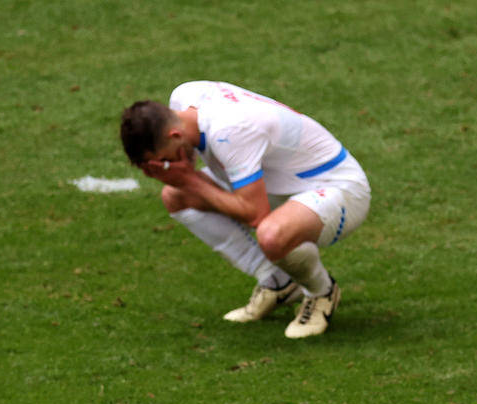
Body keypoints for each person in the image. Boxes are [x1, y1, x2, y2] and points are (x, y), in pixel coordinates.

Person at [119, 81, 370, 339]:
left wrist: (190, 180)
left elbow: (255, 214)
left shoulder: (229, 131)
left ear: (174, 136)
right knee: (175, 195)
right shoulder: (184, 98)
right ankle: (277, 282)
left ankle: (321, 292)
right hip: (279, 185)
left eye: (163, 161)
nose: (166, 168)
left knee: (271, 235)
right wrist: (184, 184)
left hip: (337, 189)